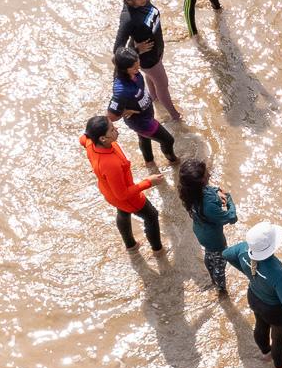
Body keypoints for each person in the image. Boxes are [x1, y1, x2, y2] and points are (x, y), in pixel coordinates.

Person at [222, 220, 282, 368]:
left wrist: (249, 274)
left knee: (260, 325)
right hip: (275, 312)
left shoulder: (243, 249)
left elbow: (226, 254)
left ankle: (265, 353)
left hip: (254, 298)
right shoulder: (278, 272)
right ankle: (280, 367)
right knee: (279, 340)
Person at [80, 116, 163, 252]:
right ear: (102, 139)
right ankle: (158, 250)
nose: (116, 129)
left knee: (123, 213)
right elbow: (122, 194)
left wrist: (97, 167)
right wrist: (148, 182)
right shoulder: (110, 164)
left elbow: (82, 139)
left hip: (108, 189)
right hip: (127, 198)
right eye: (112, 129)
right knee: (152, 215)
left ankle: (131, 246)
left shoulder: (90, 142)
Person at [113, 0, 180, 119]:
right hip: (148, 59)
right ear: (129, 0)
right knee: (163, 85)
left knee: (154, 81)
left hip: (158, 49)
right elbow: (117, 51)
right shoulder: (128, 19)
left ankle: (154, 99)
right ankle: (175, 116)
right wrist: (136, 51)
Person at [107, 48, 177, 166]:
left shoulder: (125, 66)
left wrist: (138, 47)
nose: (138, 69)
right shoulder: (121, 90)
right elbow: (110, 116)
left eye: (138, 65)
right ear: (124, 69)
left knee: (144, 138)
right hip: (143, 122)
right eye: (134, 68)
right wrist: (125, 112)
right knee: (168, 140)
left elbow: (113, 57)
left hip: (146, 113)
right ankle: (174, 161)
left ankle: (149, 162)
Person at [178, 157, 237, 296]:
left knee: (209, 255)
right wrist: (229, 198)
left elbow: (208, 188)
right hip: (214, 239)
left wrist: (217, 190)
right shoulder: (208, 206)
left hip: (200, 231)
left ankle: (212, 280)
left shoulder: (190, 192)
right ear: (200, 182)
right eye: (206, 175)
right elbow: (232, 218)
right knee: (220, 264)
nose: (209, 175)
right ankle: (222, 290)